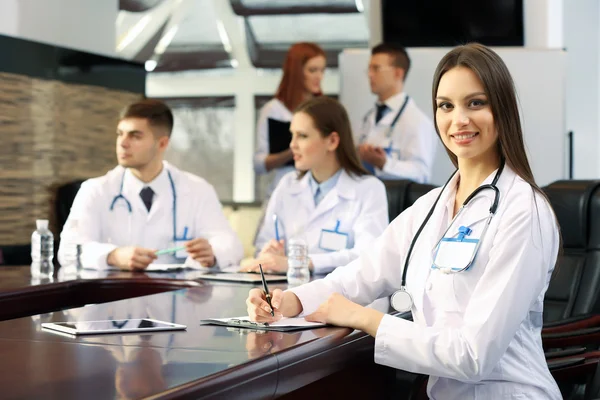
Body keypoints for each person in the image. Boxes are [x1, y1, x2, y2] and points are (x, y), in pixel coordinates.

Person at [246, 43, 562, 399]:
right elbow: (361, 275)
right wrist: (290, 302)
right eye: (446, 105)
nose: (458, 119)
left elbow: (473, 355)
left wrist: (366, 318)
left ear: (501, 110)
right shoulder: (431, 207)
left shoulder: (524, 210)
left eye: (475, 103)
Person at [58, 99, 243, 271]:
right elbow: (67, 251)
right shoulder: (95, 190)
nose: (123, 143)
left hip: (178, 298)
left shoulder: (197, 190)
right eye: (120, 134)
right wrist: (112, 256)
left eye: (135, 136)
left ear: (162, 143)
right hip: (116, 299)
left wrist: (212, 252)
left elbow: (231, 245)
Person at [244, 96, 388, 275]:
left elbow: (369, 255)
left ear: (332, 141)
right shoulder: (287, 186)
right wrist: (270, 253)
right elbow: (263, 245)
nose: (292, 145)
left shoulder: (369, 189)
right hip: (290, 292)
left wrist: (300, 262)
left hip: (344, 297)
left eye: (302, 136)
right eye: (292, 135)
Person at [253, 42, 326, 199]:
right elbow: (259, 164)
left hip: (317, 192)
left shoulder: (325, 110)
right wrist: (291, 152)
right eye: (312, 70)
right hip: (283, 192)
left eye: (322, 70)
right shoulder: (274, 110)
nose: (319, 77)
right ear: (296, 72)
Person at [358, 43, 437, 183]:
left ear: (398, 73)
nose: (370, 75)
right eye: (369, 69)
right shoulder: (369, 117)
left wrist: (384, 163)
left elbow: (422, 173)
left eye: (376, 68)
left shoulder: (417, 121)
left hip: (398, 203)